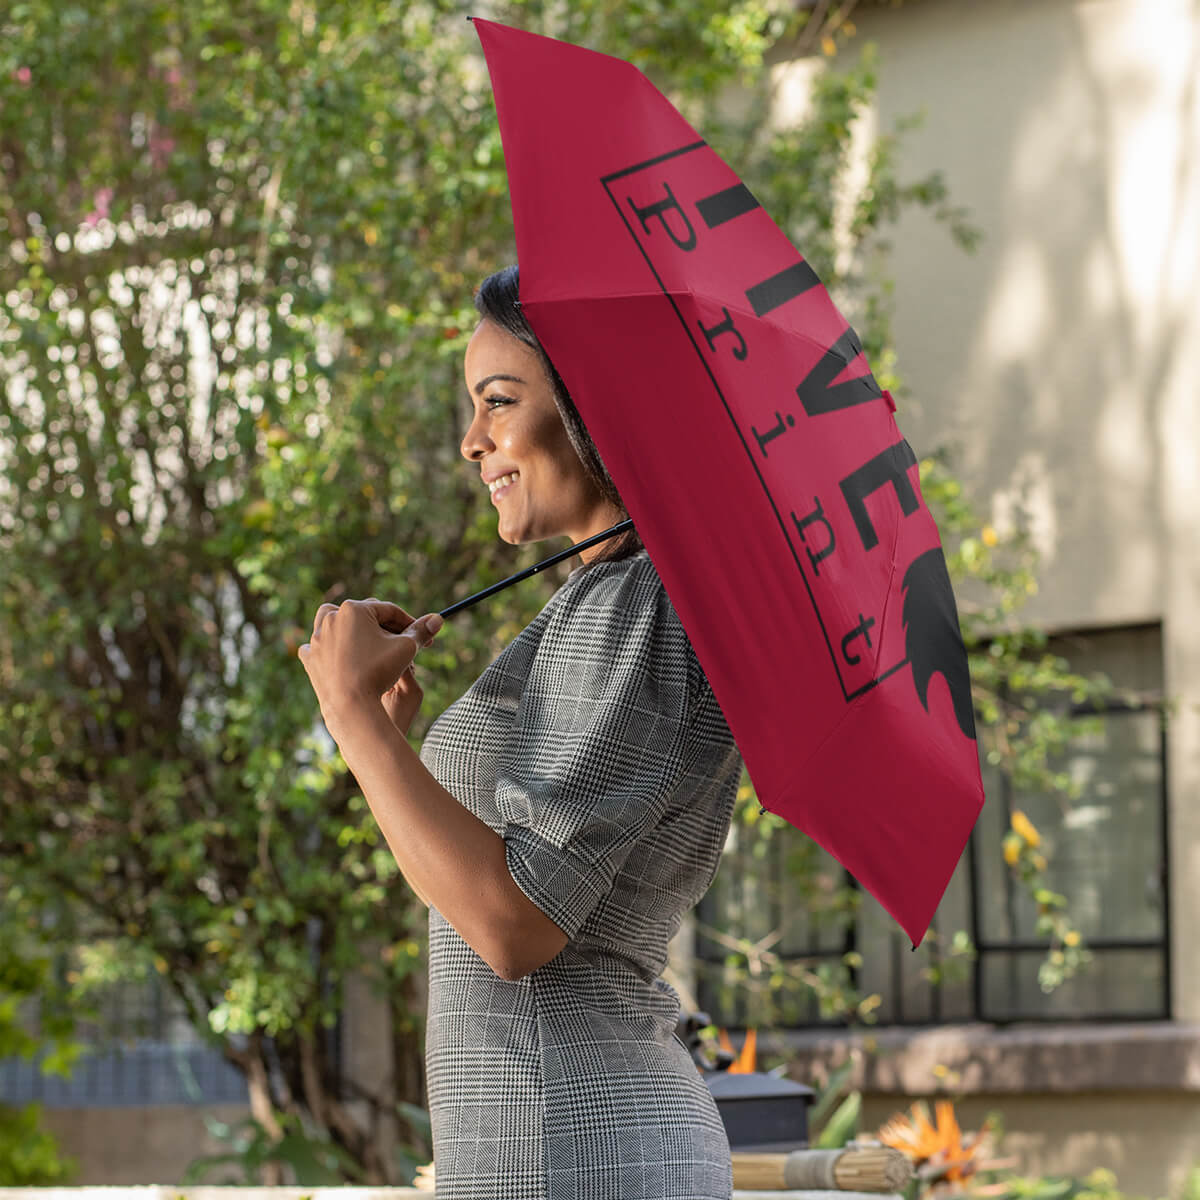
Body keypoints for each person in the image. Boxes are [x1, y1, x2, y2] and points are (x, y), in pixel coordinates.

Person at [298, 265, 742, 1199]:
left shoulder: (636, 606)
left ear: (596, 409)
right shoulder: (609, 598)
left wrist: (353, 725)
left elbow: (515, 927)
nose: (472, 442)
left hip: (574, 1142)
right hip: (554, 1138)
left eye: (498, 402)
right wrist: (386, 747)